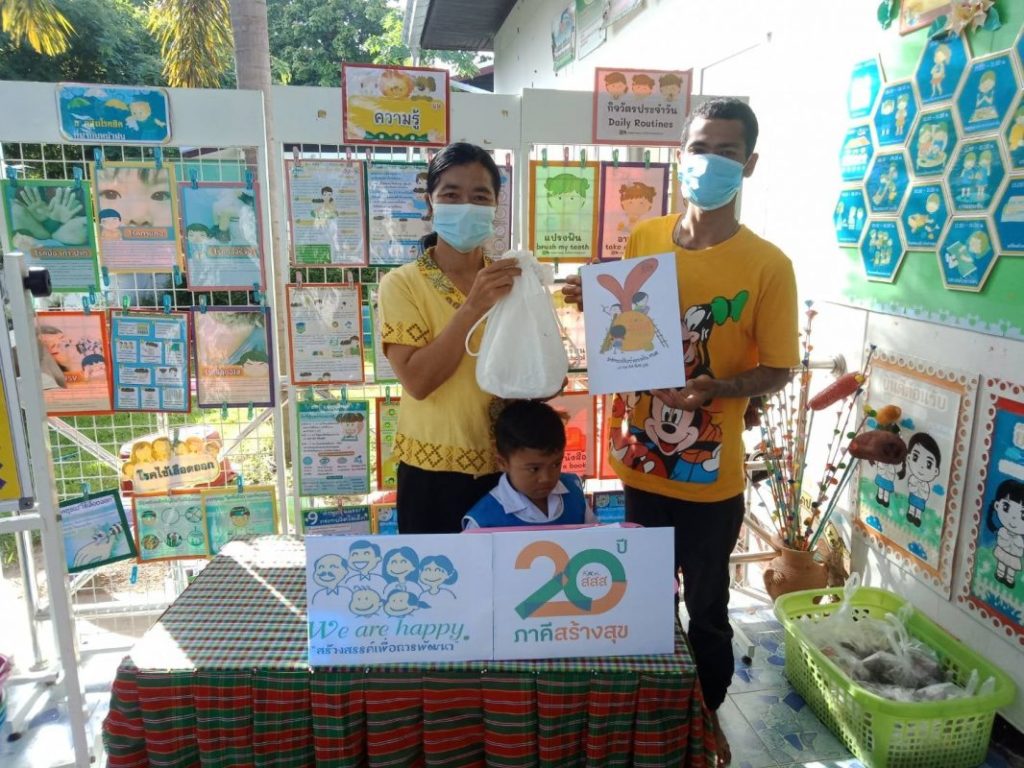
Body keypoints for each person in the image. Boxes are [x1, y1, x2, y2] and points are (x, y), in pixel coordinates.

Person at [562, 97, 799, 767]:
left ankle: (708, 719)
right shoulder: (645, 239)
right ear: (680, 155)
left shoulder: (767, 265)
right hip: (639, 464)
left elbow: (780, 368)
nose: (710, 162)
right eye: (700, 148)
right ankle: (648, 716)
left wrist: (716, 388)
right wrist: (593, 301)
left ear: (750, 164)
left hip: (710, 481)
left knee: (709, 610)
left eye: (727, 152)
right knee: (642, 602)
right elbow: (628, 327)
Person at [378, 142, 529, 534]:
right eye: (451, 194)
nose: (466, 207)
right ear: (430, 203)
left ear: (495, 206)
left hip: (508, 469)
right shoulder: (402, 284)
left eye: (479, 197)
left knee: (504, 574)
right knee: (434, 572)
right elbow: (418, 381)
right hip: (431, 476)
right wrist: (473, 306)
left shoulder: (514, 280)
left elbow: (537, 371)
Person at [463, 400, 592, 530]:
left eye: (556, 464)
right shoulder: (483, 522)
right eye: (534, 469)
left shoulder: (574, 492)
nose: (546, 478)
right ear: (502, 463)